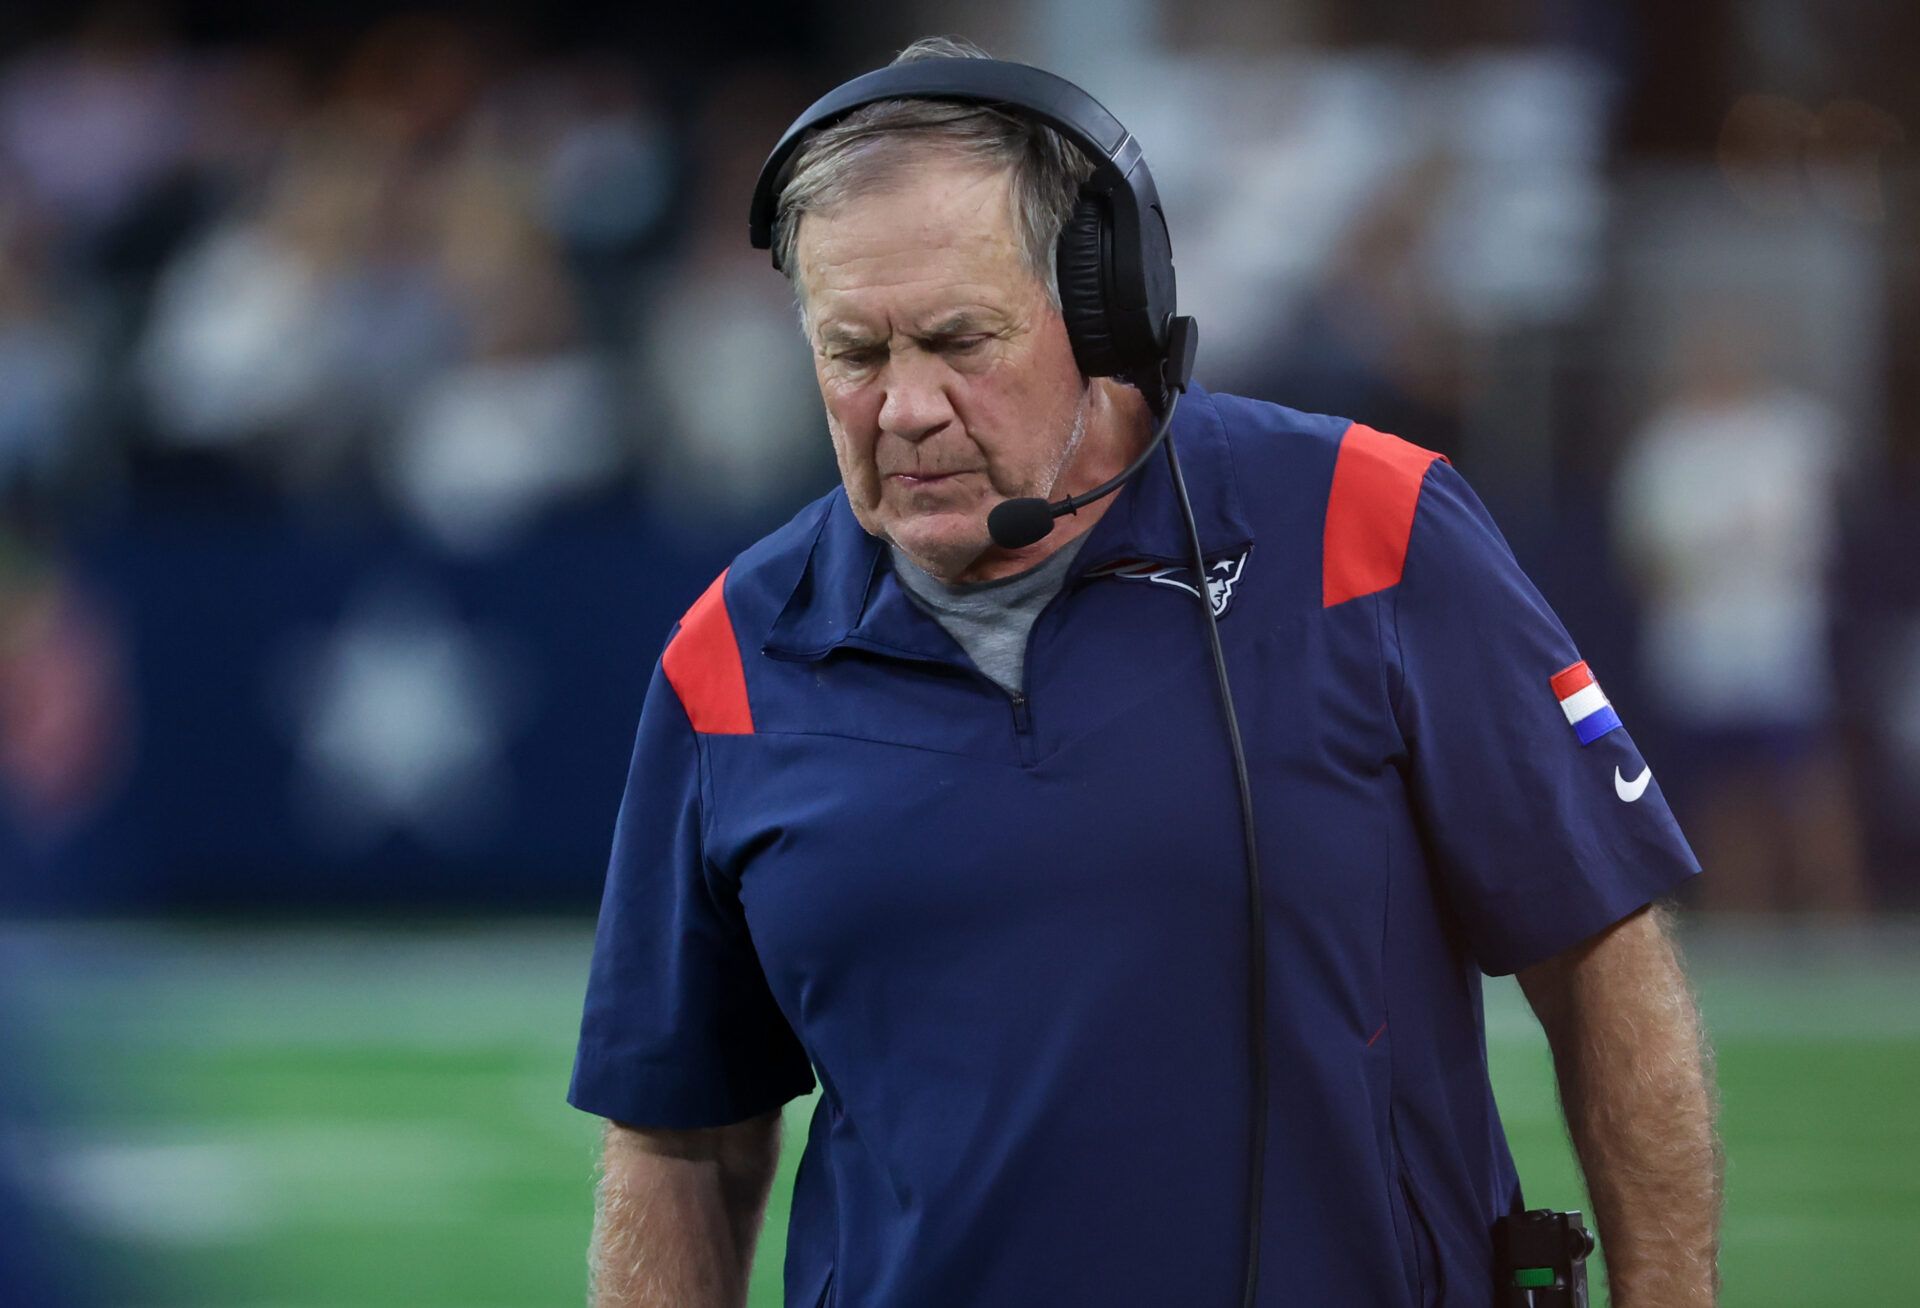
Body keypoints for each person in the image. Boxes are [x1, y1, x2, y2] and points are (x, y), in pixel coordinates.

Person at [570, 37, 1721, 1308]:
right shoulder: (730, 657)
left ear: (1104, 307)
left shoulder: (1370, 528)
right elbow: (679, 1139)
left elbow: (1600, 957)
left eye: (958, 339)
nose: (906, 407)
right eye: (855, 353)